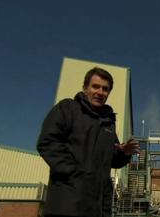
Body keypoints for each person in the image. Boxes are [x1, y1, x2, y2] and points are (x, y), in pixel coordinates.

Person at [37, 67, 140, 217]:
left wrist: (123, 152)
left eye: (105, 89)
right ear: (85, 88)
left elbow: (113, 160)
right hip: (67, 204)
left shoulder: (108, 124)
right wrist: (74, 174)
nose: (100, 92)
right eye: (95, 86)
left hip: (97, 207)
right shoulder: (68, 109)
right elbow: (48, 142)